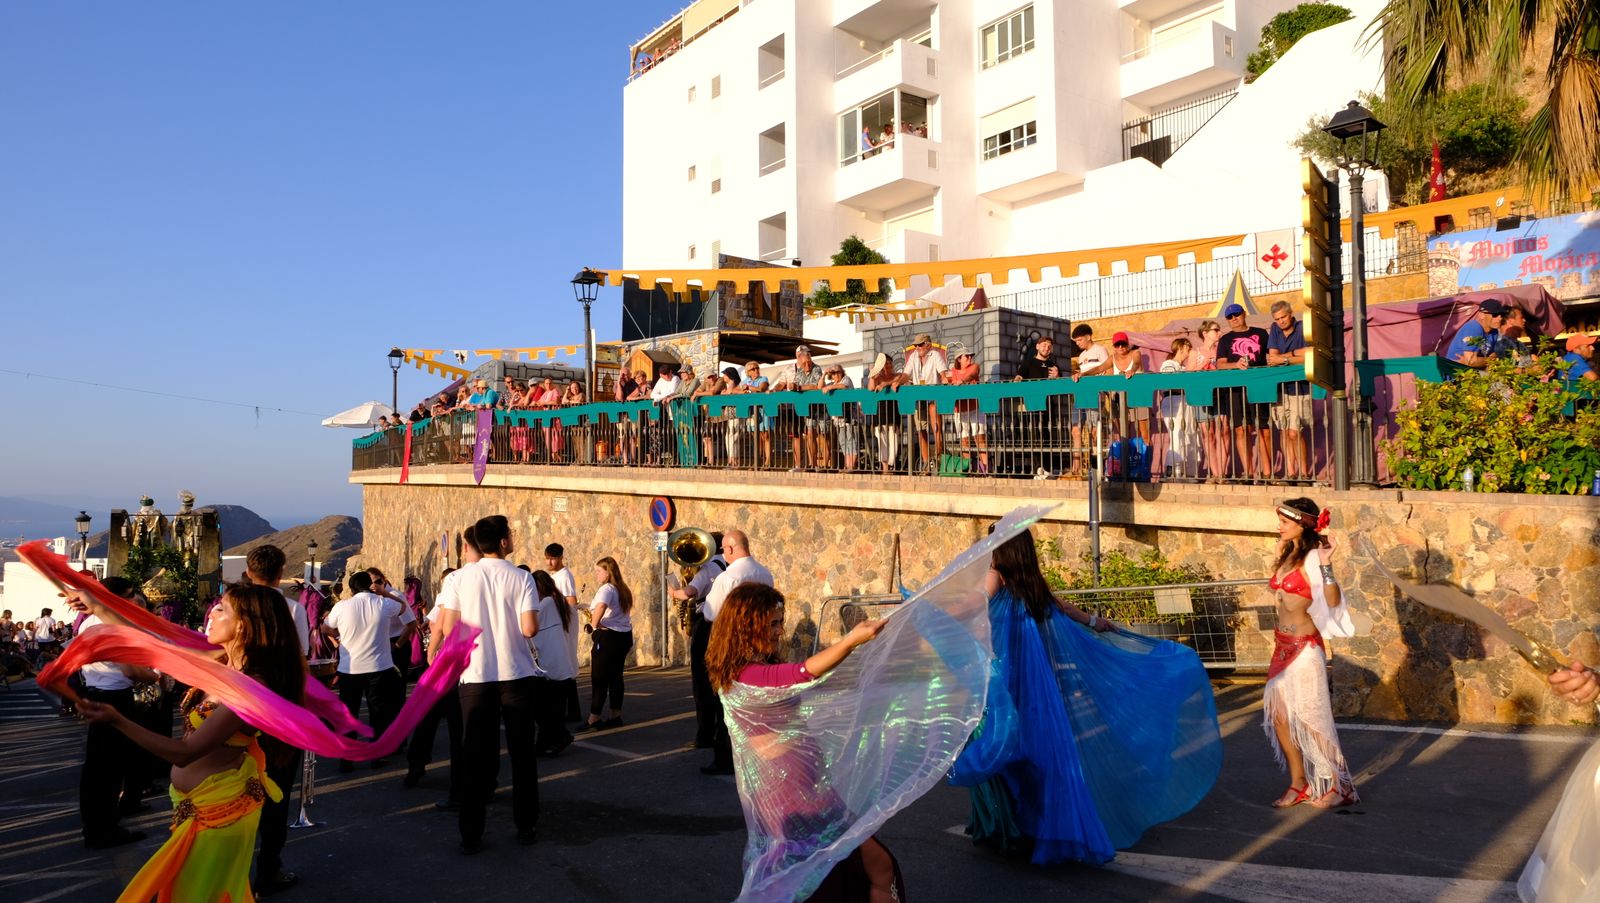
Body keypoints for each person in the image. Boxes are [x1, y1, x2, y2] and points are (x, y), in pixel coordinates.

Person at [950, 529, 1222, 865]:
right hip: (1038, 687)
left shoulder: (996, 577)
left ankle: (1004, 828)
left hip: (1007, 682)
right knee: (1039, 752)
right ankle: (1035, 826)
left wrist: (930, 613)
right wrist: (1095, 621)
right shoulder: (1031, 582)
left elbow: (974, 605)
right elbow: (1062, 607)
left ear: (1001, 548)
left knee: (998, 747)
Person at [76, 584, 304, 902]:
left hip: (220, 816)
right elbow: (153, 647)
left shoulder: (250, 687)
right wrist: (98, 607)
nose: (212, 613)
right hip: (199, 808)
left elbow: (185, 753)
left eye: (221, 608)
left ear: (243, 625)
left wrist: (117, 720)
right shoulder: (222, 660)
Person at [705, 583, 904, 902]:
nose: (779, 631)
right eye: (772, 623)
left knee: (866, 869)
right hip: (792, 798)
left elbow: (807, 683)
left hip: (813, 787)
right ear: (748, 624)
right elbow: (802, 673)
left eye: (779, 622)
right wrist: (852, 639)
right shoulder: (745, 677)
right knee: (855, 872)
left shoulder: (757, 670)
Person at [435, 514, 541, 853]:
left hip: (476, 676)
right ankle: (526, 824)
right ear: (504, 542)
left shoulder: (457, 579)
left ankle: (470, 833)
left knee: (473, 757)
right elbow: (529, 629)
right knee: (523, 754)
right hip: (516, 674)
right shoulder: (522, 577)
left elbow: (450, 628)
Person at [1263, 497, 1359, 810]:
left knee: (1312, 719)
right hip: (1281, 649)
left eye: (1285, 522)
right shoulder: (1287, 553)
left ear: (1301, 524)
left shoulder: (1316, 557)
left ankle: (1338, 784)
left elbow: (1332, 600)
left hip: (1305, 650)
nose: (1279, 526)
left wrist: (1328, 564)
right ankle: (1298, 783)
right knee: (1279, 719)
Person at [64, 588, 159, 849]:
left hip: (96, 690)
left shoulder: (90, 624)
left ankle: (98, 825)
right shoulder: (113, 626)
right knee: (109, 767)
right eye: (134, 602)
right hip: (114, 697)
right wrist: (155, 676)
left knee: (98, 766)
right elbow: (130, 670)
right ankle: (103, 829)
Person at [242, 545, 308, 897]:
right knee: (277, 792)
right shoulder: (293, 608)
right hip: (279, 711)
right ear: (281, 572)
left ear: (250, 571)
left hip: (236, 708)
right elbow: (301, 660)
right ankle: (268, 869)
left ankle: (234, 870)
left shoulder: (226, 609)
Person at [701, 530, 774, 775]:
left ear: (731, 549)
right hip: (760, 643)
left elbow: (711, 613)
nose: (723, 554)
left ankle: (724, 758)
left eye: (723, 550)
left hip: (733, 646)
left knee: (727, 703)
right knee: (754, 701)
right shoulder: (765, 573)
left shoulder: (728, 577)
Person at [322, 571, 404, 773]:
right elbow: (402, 607)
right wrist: (384, 592)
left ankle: (346, 759)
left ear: (351, 587)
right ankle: (376, 756)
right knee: (378, 713)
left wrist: (338, 637)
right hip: (379, 667)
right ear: (370, 585)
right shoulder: (382, 604)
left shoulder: (342, 606)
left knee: (349, 714)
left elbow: (325, 627)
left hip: (350, 669)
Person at [667, 534, 727, 755]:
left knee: (701, 682)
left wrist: (673, 591)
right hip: (725, 624)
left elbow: (689, 592)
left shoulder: (709, 568)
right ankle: (720, 730)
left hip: (707, 624)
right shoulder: (728, 565)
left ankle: (705, 734)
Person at [577, 557, 634, 732]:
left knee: (599, 677)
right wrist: (586, 607)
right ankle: (615, 715)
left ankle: (594, 718)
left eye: (599, 571)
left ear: (608, 571)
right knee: (616, 677)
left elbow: (601, 606)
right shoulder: (621, 588)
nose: (596, 574)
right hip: (623, 637)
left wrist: (592, 626)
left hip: (608, 637)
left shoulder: (606, 588)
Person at [1215, 303, 1272, 481]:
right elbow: (1220, 364)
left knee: (1264, 429)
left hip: (1259, 387)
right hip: (1235, 391)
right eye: (1230, 317)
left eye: (1236, 315)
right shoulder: (1225, 339)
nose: (1234, 319)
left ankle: (1267, 474)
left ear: (1244, 314)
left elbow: (1270, 357)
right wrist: (1236, 365)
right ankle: (1248, 473)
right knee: (1240, 430)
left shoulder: (1262, 333)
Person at [528, 570, 575, 756]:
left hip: (551, 666)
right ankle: (545, 743)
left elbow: (529, 626)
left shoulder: (546, 603)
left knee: (543, 710)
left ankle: (561, 736)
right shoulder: (557, 601)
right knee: (550, 710)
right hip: (559, 664)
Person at [1266, 300, 1312, 482]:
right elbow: (1271, 357)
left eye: (1284, 317)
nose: (1281, 321)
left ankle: (1304, 473)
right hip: (1279, 387)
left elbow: (1309, 353)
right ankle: (1291, 472)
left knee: (1295, 432)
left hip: (1300, 387)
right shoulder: (1275, 329)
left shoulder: (1302, 328)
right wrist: (1294, 355)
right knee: (1284, 431)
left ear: (1291, 314)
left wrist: (1285, 359)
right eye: (1277, 319)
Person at [774, 345, 826, 471]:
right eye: (806, 353)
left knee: (818, 434)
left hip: (814, 407)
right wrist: (775, 390)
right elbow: (783, 383)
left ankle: (818, 465)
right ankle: (801, 464)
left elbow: (815, 386)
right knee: (799, 434)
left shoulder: (815, 367)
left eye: (809, 354)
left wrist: (799, 387)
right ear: (799, 355)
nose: (808, 356)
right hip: (796, 406)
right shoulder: (790, 369)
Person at [1068, 326, 1111, 477]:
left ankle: (1097, 467)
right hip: (1081, 395)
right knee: (1076, 430)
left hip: (1095, 395)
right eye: (1076, 341)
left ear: (1089, 336)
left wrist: (1105, 393)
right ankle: (1076, 468)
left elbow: (1108, 371)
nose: (1078, 343)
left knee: (1095, 431)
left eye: (1079, 340)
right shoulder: (1081, 356)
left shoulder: (1100, 350)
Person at [903, 333, 948, 473]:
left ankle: (939, 459)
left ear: (928, 344)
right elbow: (905, 374)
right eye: (916, 345)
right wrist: (896, 383)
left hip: (933, 396)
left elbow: (943, 373)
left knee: (936, 428)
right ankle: (926, 463)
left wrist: (945, 378)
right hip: (919, 398)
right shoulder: (913, 357)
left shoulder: (935, 355)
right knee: (921, 430)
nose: (917, 347)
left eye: (920, 345)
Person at [1188, 319, 1225, 482]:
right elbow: (1188, 375)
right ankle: (1215, 473)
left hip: (1220, 395)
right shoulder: (1195, 353)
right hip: (1201, 397)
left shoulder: (1221, 352)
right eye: (1216, 330)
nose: (1219, 333)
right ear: (1205, 333)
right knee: (1208, 434)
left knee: (1223, 432)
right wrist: (1201, 366)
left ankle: (1223, 472)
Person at [944, 342, 988, 474]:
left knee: (979, 438)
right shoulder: (953, 371)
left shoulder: (975, 366)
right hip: (960, 409)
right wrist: (946, 381)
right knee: (964, 440)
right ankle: (968, 469)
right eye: (966, 356)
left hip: (975, 407)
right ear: (959, 359)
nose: (969, 358)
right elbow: (946, 380)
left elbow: (972, 374)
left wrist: (962, 381)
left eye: (970, 356)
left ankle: (985, 470)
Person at [1159, 338, 1197, 479]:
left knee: (1186, 436)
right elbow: (1169, 383)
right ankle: (1170, 469)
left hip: (1185, 401)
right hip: (1173, 401)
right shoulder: (1169, 364)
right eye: (1188, 347)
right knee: (1176, 434)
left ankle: (1180, 471)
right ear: (1181, 347)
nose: (1189, 350)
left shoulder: (1184, 368)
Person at [868, 353, 910, 474]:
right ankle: (885, 469)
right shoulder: (877, 377)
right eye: (886, 363)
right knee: (883, 442)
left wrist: (885, 384)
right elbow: (871, 388)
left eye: (890, 363)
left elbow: (904, 377)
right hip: (880, 415)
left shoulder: (897, 376)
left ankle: (893, 467)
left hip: (893, 414)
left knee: (894, 441)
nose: (888, 365)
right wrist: (873, 374)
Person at [1107, 331, 1151, 446]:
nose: (1120, 347)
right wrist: (1082, 374)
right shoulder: (1112, 358)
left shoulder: (1136, 353)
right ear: (1114, 347)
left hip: (1139, 395)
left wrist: (1132, 370)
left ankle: (1146, 463)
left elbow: (1136, 363)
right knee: (1123, 435)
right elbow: (1098, 368)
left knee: (1144, 434)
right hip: (1120, 398)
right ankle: (1127, 462)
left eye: (1123, 344)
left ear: (1127, 344)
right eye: (1117, 345)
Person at [1444, 298, 1508, 369]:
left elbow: (1494, 356)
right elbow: (1471, 361)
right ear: (1481, 315)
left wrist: (1486, 360)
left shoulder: (1494, 332)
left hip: (1471, 373)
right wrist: (1490, 360)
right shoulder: (1474, 327)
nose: (1500, 318)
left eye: (1501, 315)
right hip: (1454, 374)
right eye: (1495, 315)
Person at [820, 363, 860, 472]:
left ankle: (852, 466)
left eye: (838, 372)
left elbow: (844, 386)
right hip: (838, 418)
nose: (836, 374)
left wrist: (830, 387)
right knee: (843, 441)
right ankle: (847, 466)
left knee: (851, 440)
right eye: (833, 373)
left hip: (850, 417)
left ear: (842, 372)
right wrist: (824, 374)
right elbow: (820, 387)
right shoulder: (832, 383)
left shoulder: (846, 379)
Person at [736, 361, 774, 469]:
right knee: (756, 437)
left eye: (757, 368)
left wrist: (747, 388)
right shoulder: (745, 381)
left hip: (764, 410)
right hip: (752, 411)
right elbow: (734, 390)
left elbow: (761, 389)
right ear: (748, 372)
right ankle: (758, 461)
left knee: (765, 435)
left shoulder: (763, 379)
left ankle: (768, 461)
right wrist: (742, 391)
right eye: (753, 369)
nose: (756, 370)